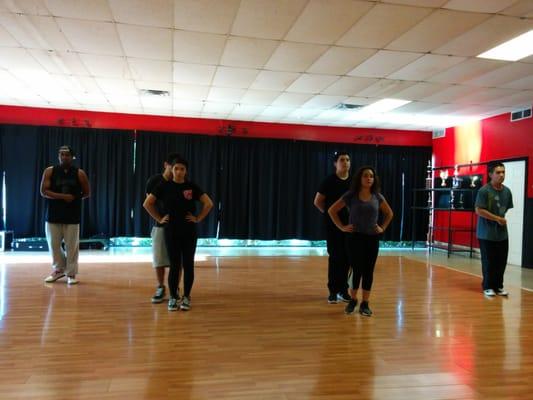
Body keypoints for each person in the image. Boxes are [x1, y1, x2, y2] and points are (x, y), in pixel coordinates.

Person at [143, 156, 213, 311]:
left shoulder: (191, 186)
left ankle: (187, 296)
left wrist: (198, 218)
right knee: (175, 265)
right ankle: (173, 297)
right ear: (171, 170)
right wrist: (160, 218)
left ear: (186, 170)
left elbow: (208, 203)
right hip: (171, 231)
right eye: (176, 169)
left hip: (189, 231)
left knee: (188, 265)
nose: (179, 172)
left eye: (182, 169)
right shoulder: (163, 186)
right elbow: (147, 203)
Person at [328, 166, 393, 317]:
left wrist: (382, 228)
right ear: (360, 178)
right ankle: (353, 300)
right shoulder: (351, 195)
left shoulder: (378, 196)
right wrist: (342, 227)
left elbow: (389, 213)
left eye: (371, 176)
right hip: (354, 238)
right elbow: (332, 210)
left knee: (368, 271)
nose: (369, 178)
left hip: (371, 239)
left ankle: (365, 303)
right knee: (356, 270)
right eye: (365, 176)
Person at [41, 145, 90, 284]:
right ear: (58, 156)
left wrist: (74, 198)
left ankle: (71, 274)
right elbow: (43, 191)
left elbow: (87, 193)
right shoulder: (50, 171)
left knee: (71, 246)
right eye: (61, 154)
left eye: (67, 154)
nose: (64, 157)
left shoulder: (79, 173)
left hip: (72, 216)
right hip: (53, 215)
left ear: (72, 157)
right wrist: (63, 197)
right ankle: (59, 269)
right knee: (54, 245)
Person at [314, 151, 352, 304]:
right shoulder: (329, 181)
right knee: (336, 258)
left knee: (348, 258)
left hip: (350, 226)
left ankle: (344, 290)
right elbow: (317, 202)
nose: (345, 162)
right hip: (333, 226)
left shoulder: (354, 182)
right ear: (335, 163)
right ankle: (333, 291)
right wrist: (330, 215)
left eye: (348, 160)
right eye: (342, 160)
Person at [145, 152, 181, 303]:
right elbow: (148, 203)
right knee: (159, 260)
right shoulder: (155, 181)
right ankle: (160, 286)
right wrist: (159, 218)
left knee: (177, 261)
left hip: (178, 227)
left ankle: (175, 288)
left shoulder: (180, 182)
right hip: (161, 227)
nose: (176, 171)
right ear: (166, 165)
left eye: (179, 168)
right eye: (173, 167)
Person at [475, 162, 513, 297]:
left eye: (503, 172)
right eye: (498, 172)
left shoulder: (507, 191)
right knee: (489, 261)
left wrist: (499, 219)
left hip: (502, 234)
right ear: (491, 174)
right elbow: (479, 210)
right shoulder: (484, 191)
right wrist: (496, 218)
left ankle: (498, 286)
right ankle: (488, 286)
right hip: (486, 234)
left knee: (501, 261)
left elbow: (505, 208)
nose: (501, 175)